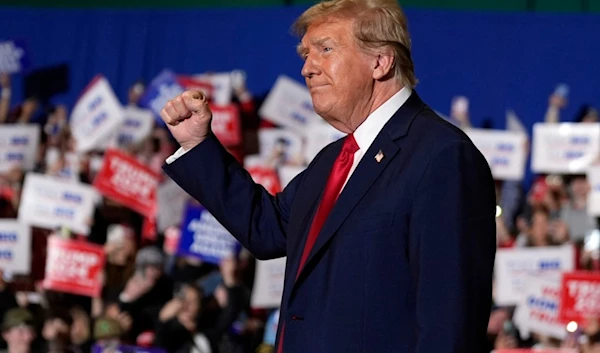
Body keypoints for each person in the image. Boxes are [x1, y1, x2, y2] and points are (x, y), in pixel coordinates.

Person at [160, 0, 496, 352]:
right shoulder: (332, 161)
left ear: (380, 62)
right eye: (305, 54)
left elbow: (449, 323)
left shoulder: (441, 156)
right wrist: (198, 145)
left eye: (325, 49)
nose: (307, 68)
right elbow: (266, 228)